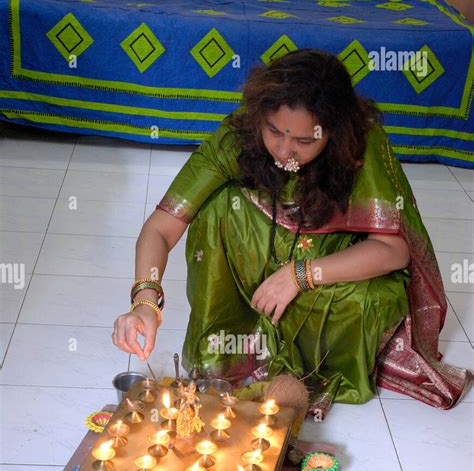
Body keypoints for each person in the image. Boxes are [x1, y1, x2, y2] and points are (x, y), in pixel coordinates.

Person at [112, 48, 470, 418]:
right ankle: (234, 353)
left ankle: (301, 367)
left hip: (329, 275)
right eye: (274, 131)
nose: (285, 151)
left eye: (304, 141)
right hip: (254, 271)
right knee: (217, 207)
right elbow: (161, 228)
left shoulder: (361, 144)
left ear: (334, 132)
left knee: (373, 301)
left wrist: (301, 275)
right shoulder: (237, 135)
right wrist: (145, 302)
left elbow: (393, 251)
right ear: (260, 117)